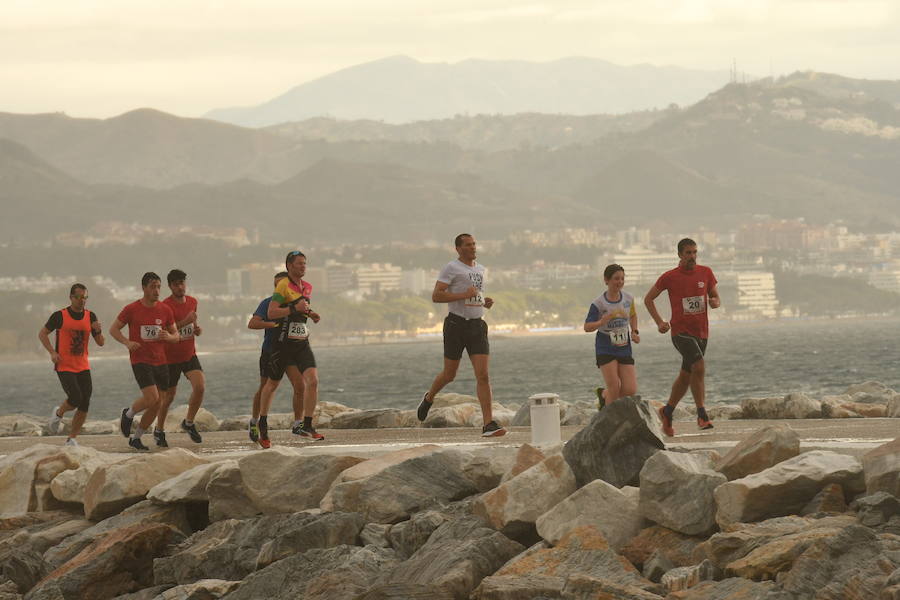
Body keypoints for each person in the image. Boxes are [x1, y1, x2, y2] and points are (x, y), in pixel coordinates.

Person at [417, 233, 506, 437]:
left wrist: (485, 302)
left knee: (483, 375)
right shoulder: (452, 268)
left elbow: (475, 294)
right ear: (458, 249)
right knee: (450, 374)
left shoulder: (481, 269)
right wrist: (462, 295)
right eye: (467, 245)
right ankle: (429, 398)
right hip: (455, 325)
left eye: (474, 244)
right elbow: (437, 295)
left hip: (477, 326)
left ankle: (488, 424)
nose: (472, 247)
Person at [644, 238, 720, 437]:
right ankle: (702, 415)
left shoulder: (706, 272)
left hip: (702, 331)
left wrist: (714, 302)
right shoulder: (670, 277)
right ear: (679, 255)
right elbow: (648, 299)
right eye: (688, 253)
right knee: (699, 366)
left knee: (687, 375)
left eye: (695, 252)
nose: (692, 256)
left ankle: (667, 411)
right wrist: (660, 322)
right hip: (680, 332)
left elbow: (715, 296)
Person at [257, 251, 323, 448]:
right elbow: (272, 311)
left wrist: (311, 314)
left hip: (301, 342)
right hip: (282, 343)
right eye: (299, 263)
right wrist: (294, 309)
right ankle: (262, 424)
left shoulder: (307, 287)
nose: (303, 266)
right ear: (289, 265)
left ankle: (307, 425)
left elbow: (302, 307)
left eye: (305, 263)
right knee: (272, 385)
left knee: (312, 381)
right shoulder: (283, 286)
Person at [109, 272, 179, 451]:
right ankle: (129, 414)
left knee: (158, 403)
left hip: (160, 361)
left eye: (158, 287)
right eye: (152, 287)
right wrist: (127, 342)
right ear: (144, 288)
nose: (156, 290)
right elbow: (114, 329)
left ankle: (137, 438)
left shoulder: (165, 310)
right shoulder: (131, 309)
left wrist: (169, 337)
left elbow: (176, 335)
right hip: (140, 360)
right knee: (152, 397)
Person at [38, 283, 105, 446]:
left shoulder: (90, 316)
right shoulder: (59, 315)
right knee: (75, 398)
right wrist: (52, 353)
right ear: (71, 297)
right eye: (79, 297)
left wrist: (98, 330)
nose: (82, 300)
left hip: (83, 365)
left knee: (85, 401)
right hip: (64, 365)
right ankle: (59, 412)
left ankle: (72, 439)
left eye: (85, 297)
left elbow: (101, 343)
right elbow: (42, 334)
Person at [246, 271, 305, 444]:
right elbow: (252, 323)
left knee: (300, 385)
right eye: (275, 286)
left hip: (291, 352)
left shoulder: (297, 303)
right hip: (271, 350)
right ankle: (255, 422)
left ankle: (297, 423)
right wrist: (271, 324)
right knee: (266, 386)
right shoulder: (268, 304)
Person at [152, 269, 205, 447]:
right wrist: (185, 322)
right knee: (168, 397)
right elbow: (167, 331)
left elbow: (193, 325)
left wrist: (197, 329)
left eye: (182, 283)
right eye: (176, 284)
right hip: (170, 357)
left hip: (189, 354)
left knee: (200, 387)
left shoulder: (192, 302)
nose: (180, 287)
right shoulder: (165, 306)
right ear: (170, 286)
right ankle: (159, 430)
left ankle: (188, 423)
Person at [584, 264, 639, 409]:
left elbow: (633, 316)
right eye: (616, 279)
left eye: (622, 278)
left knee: (630, 389)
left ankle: (603, 395)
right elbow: (587, 327)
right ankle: (609, 421)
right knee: (615, 386)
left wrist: (634, 331)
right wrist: (601, 321)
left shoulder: (628, 298)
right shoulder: (598, 303)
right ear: (606, 280)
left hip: (624, 345)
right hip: (605, 346)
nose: (619, 282)